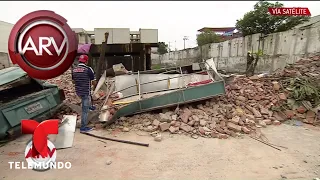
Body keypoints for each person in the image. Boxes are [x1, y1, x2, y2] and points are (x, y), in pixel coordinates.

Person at [72, 54, 97, 132]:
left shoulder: (74, 70)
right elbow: (94, 82)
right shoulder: (88, 69)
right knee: (85, 110)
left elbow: (73, 81)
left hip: (78, 92)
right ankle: (83, 127)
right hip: (86, 91)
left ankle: (90, 106)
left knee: (86, 99)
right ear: (86, 61)